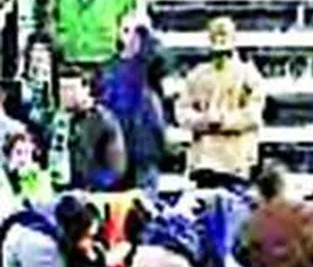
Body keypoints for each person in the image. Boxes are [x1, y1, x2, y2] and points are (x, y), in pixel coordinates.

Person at [175, 16, 266, 187]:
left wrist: (225, 120)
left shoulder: (248, 75)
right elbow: (182, 111)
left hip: (235, 160)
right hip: (205, 160)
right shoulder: (197, 75)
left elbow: (254, 113)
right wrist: (203, 120)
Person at [100, 14, 167, 192]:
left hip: (145, 143)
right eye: (126, 31)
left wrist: (145, 40)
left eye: (137, 32)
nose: (132, 36)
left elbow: (161, 63)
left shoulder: (150, 63)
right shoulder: (109, 69)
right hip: (117, 141)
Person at [56, 66, 126, 192]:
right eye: (62, 89)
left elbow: (116, 168)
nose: (65, 94)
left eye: (71, 89)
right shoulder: (58, 120)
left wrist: (92, 188)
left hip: (93, 193)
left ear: (85, 89)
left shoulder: (104, 120)